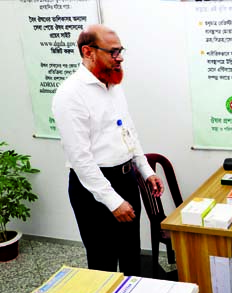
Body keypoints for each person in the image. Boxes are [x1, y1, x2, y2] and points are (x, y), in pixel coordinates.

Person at [52, 24, 163, 276]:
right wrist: (113, 202)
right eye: (113, 52)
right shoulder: (69, 94)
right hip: (93, 189)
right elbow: (81, 159)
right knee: (103, 263)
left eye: (120, 51)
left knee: (131, 255)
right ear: (88, 52)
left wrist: (145, 171)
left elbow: (129, 133)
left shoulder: (113, 85)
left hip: (125, 179)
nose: (120, 57)